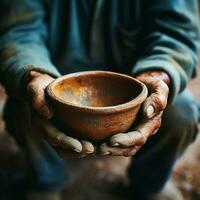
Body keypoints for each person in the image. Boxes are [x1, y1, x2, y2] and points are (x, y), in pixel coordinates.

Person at [0, 0, 199, 200]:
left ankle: (149, 183)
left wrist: (159, 74)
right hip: (55, 86)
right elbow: (19, 30)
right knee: (26, 101)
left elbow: (177, 32)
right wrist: (34, 74)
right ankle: (46, 180)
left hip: (138, 83)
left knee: (182, 113)